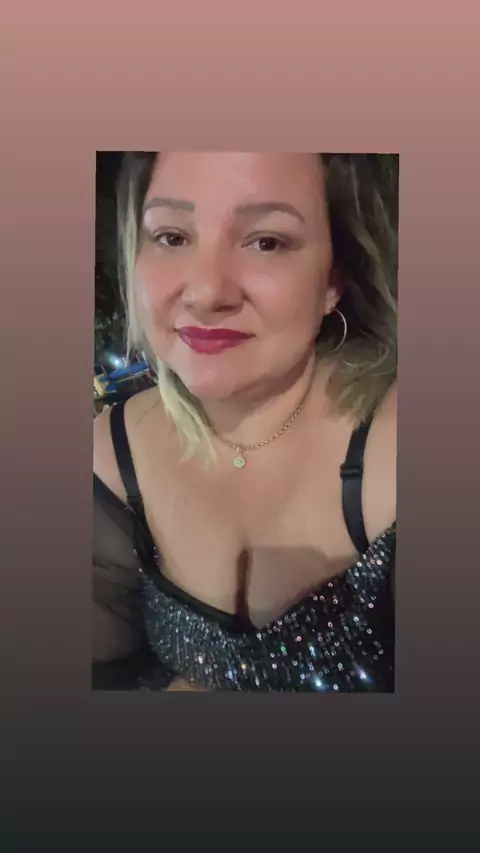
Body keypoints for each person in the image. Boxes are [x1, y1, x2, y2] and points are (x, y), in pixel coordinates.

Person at [93, 151, 397, 692]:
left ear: (334, 279)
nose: (207, 293)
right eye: (172, 237)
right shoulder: (108, 455)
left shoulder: (395, 442)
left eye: (267, 242)